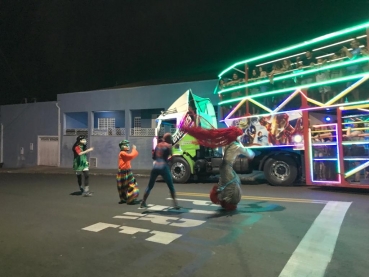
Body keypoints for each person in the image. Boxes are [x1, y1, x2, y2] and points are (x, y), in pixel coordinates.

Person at [179, 122, 255, 211]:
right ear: (236, 136)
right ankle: (228, 203)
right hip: (226, 167)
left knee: (227, 183)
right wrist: (251, 153)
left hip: (225, 167)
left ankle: (223, 200)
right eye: (239, 135)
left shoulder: (229, 144)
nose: (241, 137)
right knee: (233, 184)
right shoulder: (236, 146)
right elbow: (250, 154)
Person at [140, 133, 180, 209]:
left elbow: (154, 157)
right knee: (171, 186)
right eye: (171, 138)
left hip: (155, 166)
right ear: (169, 139)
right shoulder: (169, 146)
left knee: (150, 186)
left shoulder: (158, 145)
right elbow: (171, 158)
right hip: (163, 167)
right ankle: (175, 204)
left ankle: (143, 202)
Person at [116, 140, 140, 204]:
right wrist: (134, 149)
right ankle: (130, 199)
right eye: (125, 145)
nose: (127, 146)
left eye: (127, 144)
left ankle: (125, 198)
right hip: (123, 172)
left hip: (125, 171)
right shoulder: (122, 153)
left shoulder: (124, 153)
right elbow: (130, 156)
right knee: (129, 185)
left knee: (124, 185)